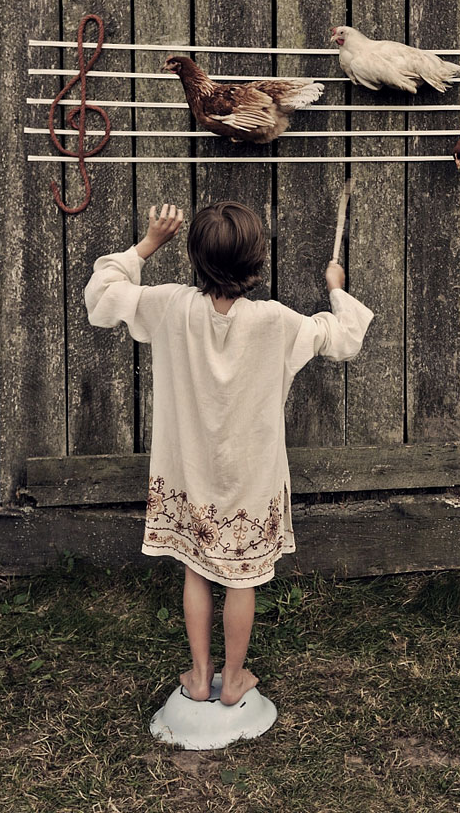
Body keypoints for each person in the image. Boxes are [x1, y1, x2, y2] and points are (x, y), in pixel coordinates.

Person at [84, 201, 373, 705]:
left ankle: (199, 677)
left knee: (196, 569)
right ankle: (234, 682)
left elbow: (102, 297)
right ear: (258, 262)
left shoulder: (171, 305)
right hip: (251, 478)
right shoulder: (277, 322)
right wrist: (335, 286)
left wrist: (150, 243)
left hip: (188, 472)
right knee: (243, 580)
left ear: (195, 257)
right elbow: (344, 337)